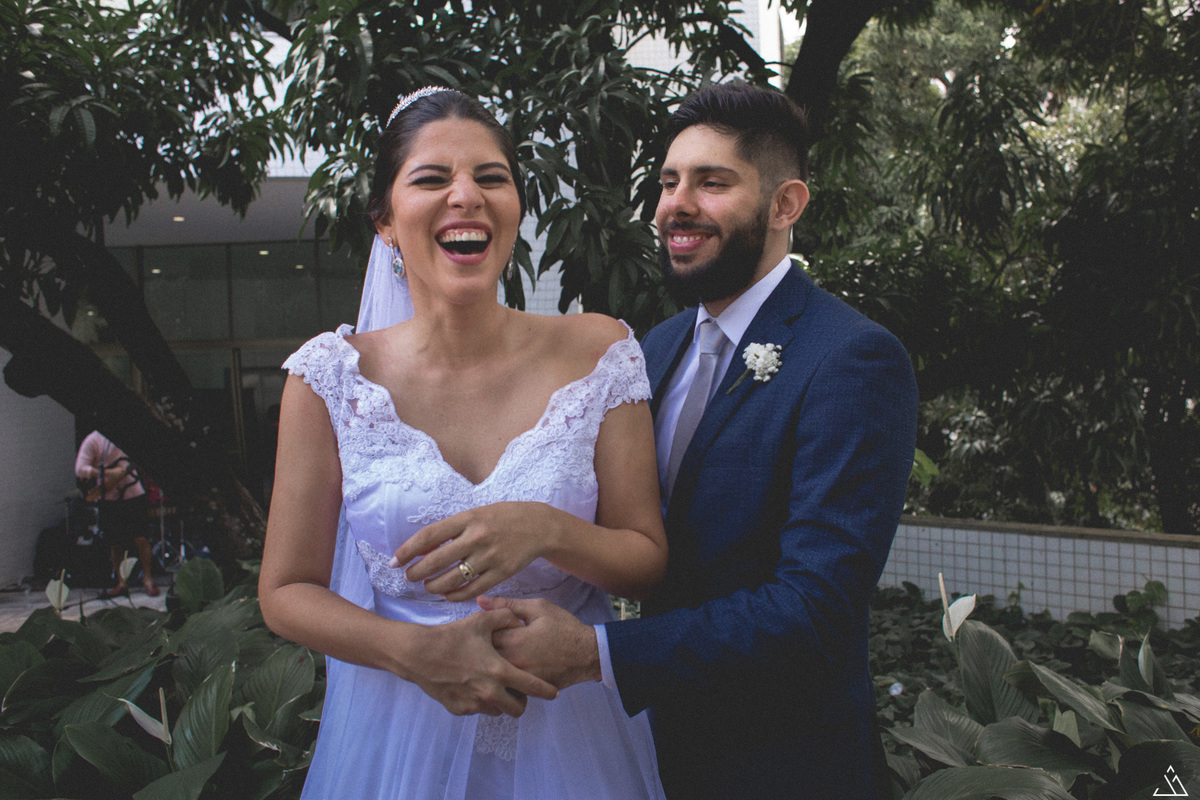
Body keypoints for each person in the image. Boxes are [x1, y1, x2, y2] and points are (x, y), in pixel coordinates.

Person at [481, 82, 920, 799]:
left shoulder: (851, 358)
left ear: (786, 206)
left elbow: (814, 607)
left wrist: (597, 652)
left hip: (782, 766)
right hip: (648, 750)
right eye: (668, 182)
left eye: (711, 182)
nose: (675, 205)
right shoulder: (653, 351)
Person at [258, 87, 668, 799]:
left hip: (572, 729)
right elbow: (286, 590)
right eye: (430, 178)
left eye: (491, 176)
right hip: (395, 732)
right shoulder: (330, 378)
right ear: (385, 222)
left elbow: (645, 561)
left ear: (515, 206)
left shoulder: (600, 352)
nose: (466, 196)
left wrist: (544, 529)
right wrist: (415, 653)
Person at [74, 430, 160, 597]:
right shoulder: (93, 440)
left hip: (132, 491)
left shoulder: (126, 435)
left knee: (141, 537)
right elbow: (80, 468)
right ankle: (122, 582)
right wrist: (104, 473)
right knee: (115, 541)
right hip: (108, 494)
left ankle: (147, 579)